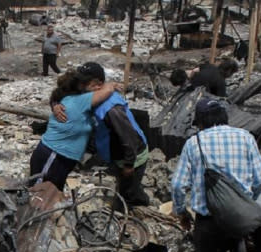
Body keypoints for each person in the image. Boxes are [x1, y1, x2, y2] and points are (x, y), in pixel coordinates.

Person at [170, 99, 261, 252]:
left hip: (207, 218)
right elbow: (260, 178)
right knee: (236, 246)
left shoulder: (195, 143)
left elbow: (178, 185)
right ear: (225, 117)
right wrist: (244, 200)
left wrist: (181, 212)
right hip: (236, 214)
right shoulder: (245, 137)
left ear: (200, 121)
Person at [52, 62, 151, 209]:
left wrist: (129, 164)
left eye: (84, 83)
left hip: (132, 155)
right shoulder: (88, 93)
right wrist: (55, 105)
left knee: (129, 190)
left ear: (97, 84)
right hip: (113, 150)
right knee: (123, 184)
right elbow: (61, 94)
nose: (80, 87)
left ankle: (139, 206)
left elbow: (128, 137)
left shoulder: (111, 108)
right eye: (80, 82)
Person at [30, 66, 120, 191]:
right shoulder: (80, 100)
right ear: (81, 86)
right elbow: (107, 91)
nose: (97, 88)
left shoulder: (73, 100)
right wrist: (109, 85)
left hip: (61, 158)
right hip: (54, 156)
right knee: (38, 193)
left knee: (51, 194)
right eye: (94, 85)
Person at [170, 60, 239, 97]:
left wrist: (191, 79)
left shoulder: (209, 66)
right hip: (199, 94)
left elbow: (194, 70)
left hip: (192, 86)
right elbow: (220, 98)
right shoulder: (221, 82)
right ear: (228, 71)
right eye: (232, 73)